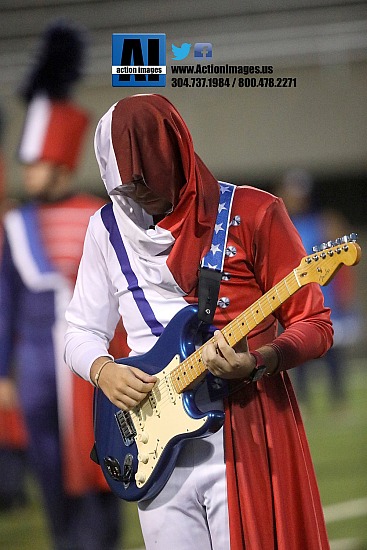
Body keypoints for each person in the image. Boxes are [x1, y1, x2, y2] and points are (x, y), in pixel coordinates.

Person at [64, 94, 334, 550]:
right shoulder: (104, 228)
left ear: (177, 152)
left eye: (146, 180)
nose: (137, 196)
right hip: (151, 444)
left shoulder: (253, 212)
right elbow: (81, 331)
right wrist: (102, 370)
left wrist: (259, 360)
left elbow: (316, 324)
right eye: (124, 187)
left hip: (246, 430)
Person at [0, 21, 122, 549]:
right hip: (34, 372)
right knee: (49, 472)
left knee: (105, 461)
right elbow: (3, 303)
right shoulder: (15, 224)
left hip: (92, 364)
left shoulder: (98, 213)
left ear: (61, 162)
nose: (29, 174)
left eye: (38, 163)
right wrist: (2, 369)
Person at [277, 169, 359, 406]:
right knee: (297, 353)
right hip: (294, 303)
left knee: (332, 352)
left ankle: (338, 399)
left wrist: (345, 293)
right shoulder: (281, 224)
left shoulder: (324, 222)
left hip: (325, 300)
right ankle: (303, 402)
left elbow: (343, 263)